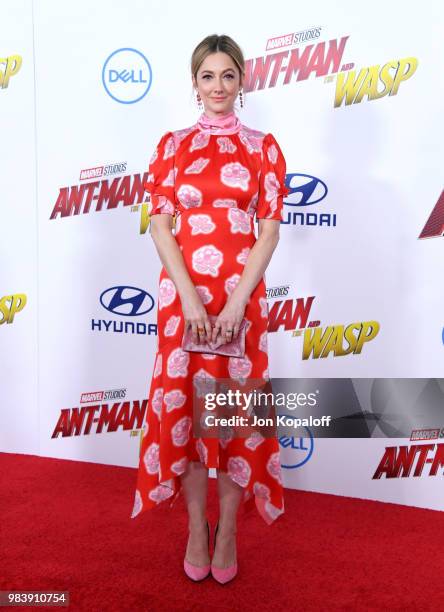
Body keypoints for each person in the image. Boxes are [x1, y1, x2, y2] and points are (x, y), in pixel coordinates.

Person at [130, 34, 290, 584]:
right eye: (207, 76)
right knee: (188, 417)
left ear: (242, 81)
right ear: (193, 83)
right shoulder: (172, 145)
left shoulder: (264, 147)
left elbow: (268, 233)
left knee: (234, 418)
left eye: (227, 75)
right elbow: (159, 224)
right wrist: (193, 297)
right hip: (183, 302)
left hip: (243, 304)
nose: (217, 86)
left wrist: (238, 302)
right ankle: (198, 526)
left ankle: (229, 532)